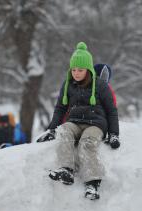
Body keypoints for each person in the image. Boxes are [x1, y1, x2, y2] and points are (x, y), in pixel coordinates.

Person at [36, 42, 120, 200]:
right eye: (73, 70)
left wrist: (114, 134)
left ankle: (93, 183)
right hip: (74, 121)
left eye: (80, 70)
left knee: (87, 143)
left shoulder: (101, 86)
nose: (76, 73)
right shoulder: (68, 85)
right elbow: (60, 108)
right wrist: (52, 129)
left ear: (88, 70)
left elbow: (112, 111)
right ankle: (66, 170)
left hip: (95, 123)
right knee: (64, 132)